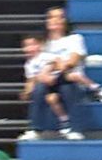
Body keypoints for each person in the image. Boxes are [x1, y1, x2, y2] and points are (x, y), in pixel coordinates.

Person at [18, 34, 102, 141]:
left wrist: (48, 71)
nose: (30, 48)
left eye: (33, 45)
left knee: (72, 80)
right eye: (27, 46)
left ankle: (96, 89)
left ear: (40, 45)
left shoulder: (45, 56)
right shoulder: (28, 65)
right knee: (49, 97)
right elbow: (31, 80)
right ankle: (56, 125)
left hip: (59, 78)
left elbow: (58, 62)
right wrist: (26, 92)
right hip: (49, 86)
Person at [27, 9, 90, 140]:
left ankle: (75, 129)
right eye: (51, 17)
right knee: (38, 89)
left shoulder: (75, 39)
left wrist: (53, 67)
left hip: (70, 78)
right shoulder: (43, 44)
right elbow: (36, 65)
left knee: (66, 87)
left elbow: (72, 62)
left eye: (59, 17)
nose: (54, 20)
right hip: (49, 80)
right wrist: (43, 75)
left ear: (65, 21)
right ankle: (35, 129)